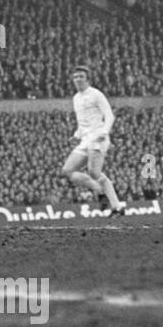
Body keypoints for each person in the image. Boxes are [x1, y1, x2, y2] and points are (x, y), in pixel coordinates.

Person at [60, 66, 125, 215]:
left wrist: (104, 132)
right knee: (67, 171)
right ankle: (101, 192)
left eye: (81, 76)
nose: (78, 80)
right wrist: (76, 135)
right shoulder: (76, 98)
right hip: (85, 139)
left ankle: (117, 207)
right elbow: (82, 123)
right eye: (75, 77)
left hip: (98, 137)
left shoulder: (96, 94)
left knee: (94, 172)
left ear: (87, 79)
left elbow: (109, 116)